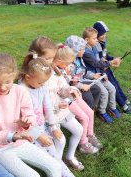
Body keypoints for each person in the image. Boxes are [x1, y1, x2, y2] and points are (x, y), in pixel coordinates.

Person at [0, 53, 62, 177]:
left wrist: (27, 123)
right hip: (0, 148)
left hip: (21, 142)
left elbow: (31, 116)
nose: (3, 87)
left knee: (55, 167)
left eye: (7, 82)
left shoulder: (20, 91)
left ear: (14, 75)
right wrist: (11, 136)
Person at [28, 36, 96, 171]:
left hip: (62, 110)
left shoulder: (55, 71)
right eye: (48, 58)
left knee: (79, 130)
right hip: (50, 116)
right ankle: (58, 165)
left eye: (51, 58)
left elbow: (62, 87)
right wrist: (57, 105)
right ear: (36, 57)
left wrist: (71, 90)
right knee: (60, 141)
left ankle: (69, 157)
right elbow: (41, 102)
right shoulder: (36, 77)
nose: (51, 61)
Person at [18, 53, 74, 177]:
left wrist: (54, 127)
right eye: (41, 82)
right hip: (30, 134)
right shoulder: (20, 91)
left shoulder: (40, 86)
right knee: (51, 161)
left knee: (54, 156)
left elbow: (47, 107)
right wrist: (38, 135)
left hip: (42, 126)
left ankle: (67, 174)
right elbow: (20, 120)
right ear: (28, 77)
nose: (43, 85)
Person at [52, 44, 102, 152]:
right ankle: (83, 143)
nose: (69, 65)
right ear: (59, 61)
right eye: (68, 63)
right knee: (84, 118)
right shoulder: (54, 73)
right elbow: (59, 91)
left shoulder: (62, 69)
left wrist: (72, 80)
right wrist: (71, 85)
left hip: (72, 95)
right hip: (65, 100)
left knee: (90, 113)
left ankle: (90, 135)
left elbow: (67, 82)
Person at [93, 21, 131, 115]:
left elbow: (105, 56)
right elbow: (99, 61)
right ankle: (124, 106)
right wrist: (111, 63)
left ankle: (125, 100)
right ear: (96, 34)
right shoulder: (95, 45)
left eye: (105, 33)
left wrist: (114, 58)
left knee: (116, 83)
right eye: (102, 34)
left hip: (107, 68)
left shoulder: (102, 42)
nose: (104, 35)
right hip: (101, 71)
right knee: (113, 86)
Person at [82, 27, 121, 123]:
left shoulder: (94, 47)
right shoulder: (86, 52)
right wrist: (111, 63)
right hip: (92, 77)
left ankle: (112, 107)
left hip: (100, 74)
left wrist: (104, 73)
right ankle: (102, 111)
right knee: (104, 92)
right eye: (94, 38)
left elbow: (99, 60)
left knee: (112, 88)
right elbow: (96, 64)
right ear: (87, 40)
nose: (96, 40)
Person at [64, 35, 101, 110]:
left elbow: (83, 72)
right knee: (88, 97)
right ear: (75, 50)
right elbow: (70, 81)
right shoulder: (69, 64)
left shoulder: (79, 59)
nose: (84, 51)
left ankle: (92, 109)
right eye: (82, 49)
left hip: (82, 81)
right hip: (75, 86)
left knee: (97, 90)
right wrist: (81, 86)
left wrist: (92, 75)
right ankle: (86, 112)